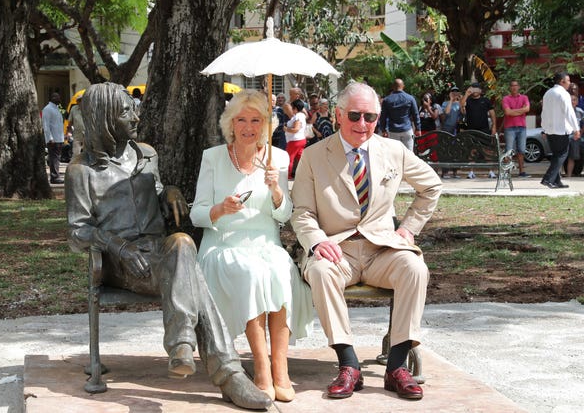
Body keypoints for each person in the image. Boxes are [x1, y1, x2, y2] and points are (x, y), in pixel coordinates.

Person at [65, 82, 271, 411]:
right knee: (193, 275)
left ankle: (183, 345)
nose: (135, 114)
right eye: (125, 111)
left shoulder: (146, 154)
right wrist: (120, 248)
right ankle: (226, 373)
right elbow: (77, 231)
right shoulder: (82, 171)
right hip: (123, 265)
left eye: (133, 108)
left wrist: (170, 192)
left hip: (162, 255)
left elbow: (158, 192)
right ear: (104, 118)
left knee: (182, 242)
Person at [291, 82, 442, 401]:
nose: (363, 124)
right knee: (319, 272)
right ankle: (348, 365)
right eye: (355, 115)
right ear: (339, 114)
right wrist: (317, 241)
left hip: (382, 251)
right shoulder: (314, 155)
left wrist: (410, 228)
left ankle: (397, 367)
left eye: (370, 117)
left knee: (415, 268)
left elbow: (431, 186)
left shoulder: (394, 151)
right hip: (337, 252)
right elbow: (302, 211)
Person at [190, 89, 313, 403]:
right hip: (223, 245)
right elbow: (197, 214)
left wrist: (276, 191)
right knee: (252, 273)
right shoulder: (213, 157)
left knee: (282, 272)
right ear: (230, 124)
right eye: (241, 119)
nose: (248, 126)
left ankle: (280, 368)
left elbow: (284, 216)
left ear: (265, 125)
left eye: (256, 120)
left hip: (266, 243)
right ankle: (260, 367)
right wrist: (220, 209)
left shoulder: (278, 158)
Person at [540, 72, 581, 188]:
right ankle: (548, 179)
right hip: (561, 130)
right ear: (562, 81)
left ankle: (556, 181)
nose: (569, 83)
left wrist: (544, 128)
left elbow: (544, 113)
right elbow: (570, 113)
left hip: (550, 130)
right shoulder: (563, 94)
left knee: (556, 155)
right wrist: (576, 129)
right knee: (562, 155)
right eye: (568, 81)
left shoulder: (548, 93)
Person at [461, 82, 497, 179]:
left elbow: (492, 113)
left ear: (480, 90)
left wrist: (494, 126)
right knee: (472, 150)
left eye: (476, 88)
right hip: (471, 129)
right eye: (473, 88)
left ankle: (491, 171)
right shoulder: (468, 100)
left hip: (484, 129)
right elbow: (461, 106)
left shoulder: (485, 100)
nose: (474, 90)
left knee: (487, 151)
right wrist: (466, 94)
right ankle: (471, 172)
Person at [379, 78, 421, 151]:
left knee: (395, 155)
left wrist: (383, 130)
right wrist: (418, 128)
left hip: (393, 131)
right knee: (409, 154)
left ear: (393, 87)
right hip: (406, 129)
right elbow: (415, 114)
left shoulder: (387, 100)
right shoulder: (410, 98)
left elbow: (383, 116)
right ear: (403, 86)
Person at [502, 80, 531, 177]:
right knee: (509, 150)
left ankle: (521, 171)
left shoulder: (524, 97)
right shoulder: (506, 99)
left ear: (519, 87)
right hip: (509, 127)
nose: (514, 87)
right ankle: (507, 172)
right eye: (512, 85)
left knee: (521, 150)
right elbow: (507, 113)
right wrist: (521, 111)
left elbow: (527, 109)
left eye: (516, 85)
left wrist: (513, 111)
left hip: (522, 127)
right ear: (510, 87)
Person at [42, 92, 65, 184]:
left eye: (59, 96)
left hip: (59, 138)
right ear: (52, 98)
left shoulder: (56, 109)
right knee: (54, 158)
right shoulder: (47, 109)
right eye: (57, 97)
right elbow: (46, 125)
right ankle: (54, 177)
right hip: (53, 139)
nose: (59, 98)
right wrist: (50, 138)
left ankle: (56, 175)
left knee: (57, 159)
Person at [439, 86, 462, 178]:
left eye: (456, 91)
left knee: (455, 150)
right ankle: (445, 172)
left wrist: (461, 101)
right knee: (446, 149)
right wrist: (451, 100)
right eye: (453, 92)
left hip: (456, 129)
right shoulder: (445, 103)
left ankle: (455, 172)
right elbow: (447, 112)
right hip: (446, 128)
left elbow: (463, 114)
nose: (455, 93)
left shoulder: (460, 103)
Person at [283, 99, 308, 178]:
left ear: (295, 108)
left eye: (292, 107)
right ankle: (305, 174)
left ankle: (287, 175)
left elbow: (295, 129)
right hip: (301, 139)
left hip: (295, 141)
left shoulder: (297, 116)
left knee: (289, 159)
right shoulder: (302, 115)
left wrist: (286, 129)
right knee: (300, 159)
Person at [565, 93, 584, 177]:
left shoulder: (580, 111)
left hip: (577, 136)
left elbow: (583, 124)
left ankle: (571, 174)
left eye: (574, 100)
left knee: (574, 156)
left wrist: (580, 133)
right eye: (571, 100)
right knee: (566, 157)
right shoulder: (565, 111)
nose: (572, 101)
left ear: (577, 102)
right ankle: (567, 175)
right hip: (566, 135)